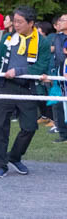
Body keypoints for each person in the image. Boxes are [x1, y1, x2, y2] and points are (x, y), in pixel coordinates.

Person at [0, 4, 52, 178]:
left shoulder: (43, 42)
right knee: (0, 127)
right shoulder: (8, 38)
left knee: (30, 126)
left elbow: (41, 67)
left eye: (19, 22)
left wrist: (19, 71)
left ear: (31, 23)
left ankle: (14, 157)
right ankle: (0, 165)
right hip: (4, 87)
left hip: (27, 88)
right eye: (14, 21)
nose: (15, 25)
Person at [50, 13, 67, 142]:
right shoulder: (57, 37)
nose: (59, 22)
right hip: (60, 74)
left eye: (62, 20)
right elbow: (59, 56)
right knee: (60, 103)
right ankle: (63, 132)